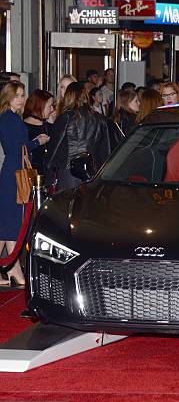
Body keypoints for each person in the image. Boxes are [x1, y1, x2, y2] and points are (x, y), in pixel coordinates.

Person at [0, 81, 49, 287]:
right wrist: (38, 141)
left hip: (13, 171)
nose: (21, 99)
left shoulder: (10, 118)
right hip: (14, 173)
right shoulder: (9, 119)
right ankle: (13, 270)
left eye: (22, 95)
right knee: (9, 223)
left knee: (9, 224)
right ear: (8, 97)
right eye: (17, 95)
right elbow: (16, 149)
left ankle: (12, 270)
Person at [46, 82, 110, 192]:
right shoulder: (100, 119)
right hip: (92, 172)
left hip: (68, 172)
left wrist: (48, 175)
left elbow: (54, 148)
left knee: (66, 206)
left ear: (68, 96)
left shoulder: (66, 117)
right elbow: (105, 149)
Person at [23, 90, 55, 176]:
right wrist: (36, 142)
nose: (52, 109)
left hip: (49, 178)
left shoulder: (49, 126)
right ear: (39, 106)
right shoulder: (23, 127)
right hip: (30, 177)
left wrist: (52, 124)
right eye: (49, 106)